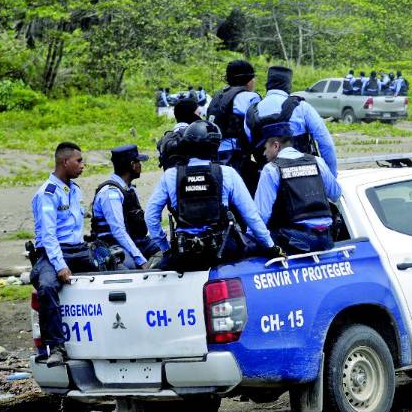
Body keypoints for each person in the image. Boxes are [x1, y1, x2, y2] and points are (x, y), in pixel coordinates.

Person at [145, 121, 275, 270]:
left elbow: (150, 217)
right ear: (215, 146)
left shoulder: (170, 176)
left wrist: (166, 248)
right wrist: (271, 246)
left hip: (184, 254)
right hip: (223, 251)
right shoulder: (227, 173)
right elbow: (251, 216)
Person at [30, 142, 92, 368]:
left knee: (118, 270)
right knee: (46, 287)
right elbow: (48, 236)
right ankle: (55, 346)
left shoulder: (74, 190)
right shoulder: (47, 194)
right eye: (79, 161)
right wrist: (60, 266)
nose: (83, 165)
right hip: (54, 251)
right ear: (65, 162)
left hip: (78, 249)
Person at [254, 123, 342, 254]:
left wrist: (249, 238)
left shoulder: (271, 169)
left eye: (265, 147)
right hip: (326, 239)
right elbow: (335, 194)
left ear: (276, 146)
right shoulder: (317, 161)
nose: (264, 152)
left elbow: (261, 216)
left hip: (294, 242)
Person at [245, 65, 339, 176]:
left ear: (268, 85)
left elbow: (248, 145)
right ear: (288, 85)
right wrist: (331, 175)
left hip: (267, 175)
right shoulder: (302, 107)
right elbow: (326, 143)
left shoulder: (251, 111)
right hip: (302, 176)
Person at [91, 144, 156, 270]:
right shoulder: (110, 194)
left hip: (135, 240)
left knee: (167, 253)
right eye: (138, 162)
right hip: (112, 245)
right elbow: (118, 231)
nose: (140, 166)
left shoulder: (129, 189)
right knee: (131, 267)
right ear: (132, 165)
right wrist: (142, 261)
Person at [208, 59, 262, 191]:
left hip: (213, 155)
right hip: (235, 157)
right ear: (248, 79)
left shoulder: (217, 96)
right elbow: (257, 129)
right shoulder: (249, 97)